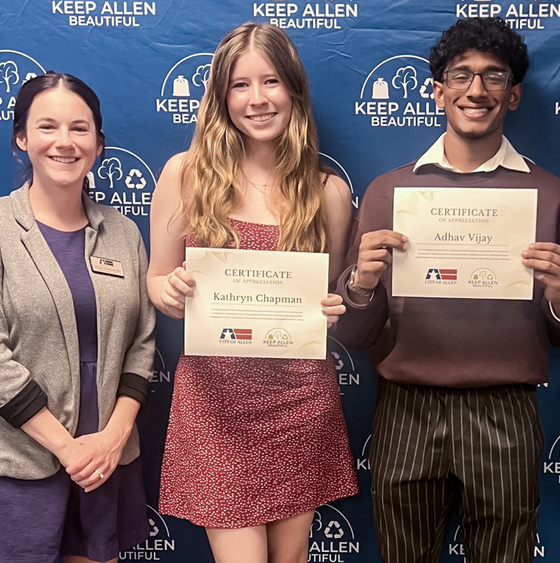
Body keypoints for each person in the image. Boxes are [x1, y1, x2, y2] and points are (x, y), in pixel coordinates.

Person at [332, 17, 560, 563]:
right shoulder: (390, 191)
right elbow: (353, 331)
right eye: (460, 76)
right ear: (438, 92)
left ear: (514, 93)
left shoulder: (548, 194)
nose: (476, 90)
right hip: (407, 409)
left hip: (505, 409)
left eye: (493, 76)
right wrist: (360, 284)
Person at [147, 22, 357, 563]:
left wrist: (336, 306)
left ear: (294, 91)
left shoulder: (328, 192)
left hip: (299, 403)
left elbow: (334, 297)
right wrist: (168, 290)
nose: (258, 99)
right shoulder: (186, 175)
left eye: (271, 82)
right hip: (215, 405)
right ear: (221, 96)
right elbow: (155, 279)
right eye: (240, 85)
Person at [0, 72, 154, 563]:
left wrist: (111, 439)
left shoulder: (124, 233)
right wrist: (69, 450)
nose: (65, 142)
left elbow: (142, 344)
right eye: (47, 127)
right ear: (22, 137)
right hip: (19, 464)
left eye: (80, 128)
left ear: (99, 144)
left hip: (106, 462)